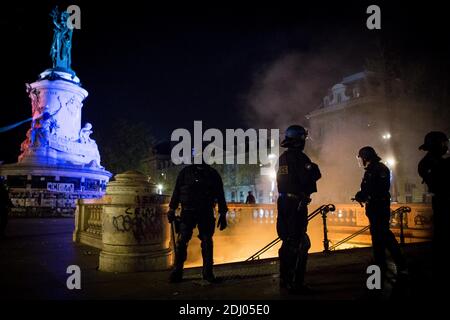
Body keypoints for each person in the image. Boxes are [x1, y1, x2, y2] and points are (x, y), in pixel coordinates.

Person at [167, 158, 228, 283]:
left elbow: (220, 194)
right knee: (183, 241)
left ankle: (207, 273)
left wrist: (223, 213)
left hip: (203, 211)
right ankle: (178, 271)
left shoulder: (211, 174)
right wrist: (172, 209)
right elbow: (177, 191)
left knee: (204, 241)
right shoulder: (187, 173)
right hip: (189, 211)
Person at [276, 125, 321, 294]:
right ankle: (296, 283)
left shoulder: (283, 158)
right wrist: (313, 168)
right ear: (300, 140)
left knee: (287, 241)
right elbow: (310, 176)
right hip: (296, 204)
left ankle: (285, 279)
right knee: (301, 242)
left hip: (283, 202)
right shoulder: (300, 158)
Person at [354, 146, 406, 280]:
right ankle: (381, 262)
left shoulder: (378, 169)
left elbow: (380, 189)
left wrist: (364, 195)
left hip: (378, 206)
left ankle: (398, 263)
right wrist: (363, 195)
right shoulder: (373, 169)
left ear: (365, 157)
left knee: (383, 234)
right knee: (378, 235)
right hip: (375, 206)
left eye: (361, 158)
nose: (360, 161)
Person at [417, 131, 450, 287]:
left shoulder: (435, 162)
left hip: (442, 201)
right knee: (442, 235)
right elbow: (440, 179)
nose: (446, 146)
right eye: (444, 143)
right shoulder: (428, 163)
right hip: (443, 202)